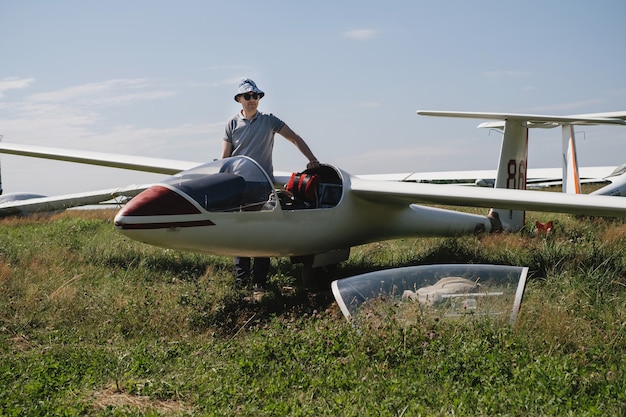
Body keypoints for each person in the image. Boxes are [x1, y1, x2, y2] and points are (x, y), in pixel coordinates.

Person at [222, 79, 320, 291]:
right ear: (239, 99)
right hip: (239, 185)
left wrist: (312, 160)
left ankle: (259, 282)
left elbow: (294, 138)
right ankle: (242, 282)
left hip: (261, 184)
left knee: (261, 233)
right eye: (247, 96)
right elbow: (225, 158)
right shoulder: (232, 124)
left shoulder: (269, 120)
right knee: (241, 235)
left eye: (256, 96)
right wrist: (223, 183)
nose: (252, 100)